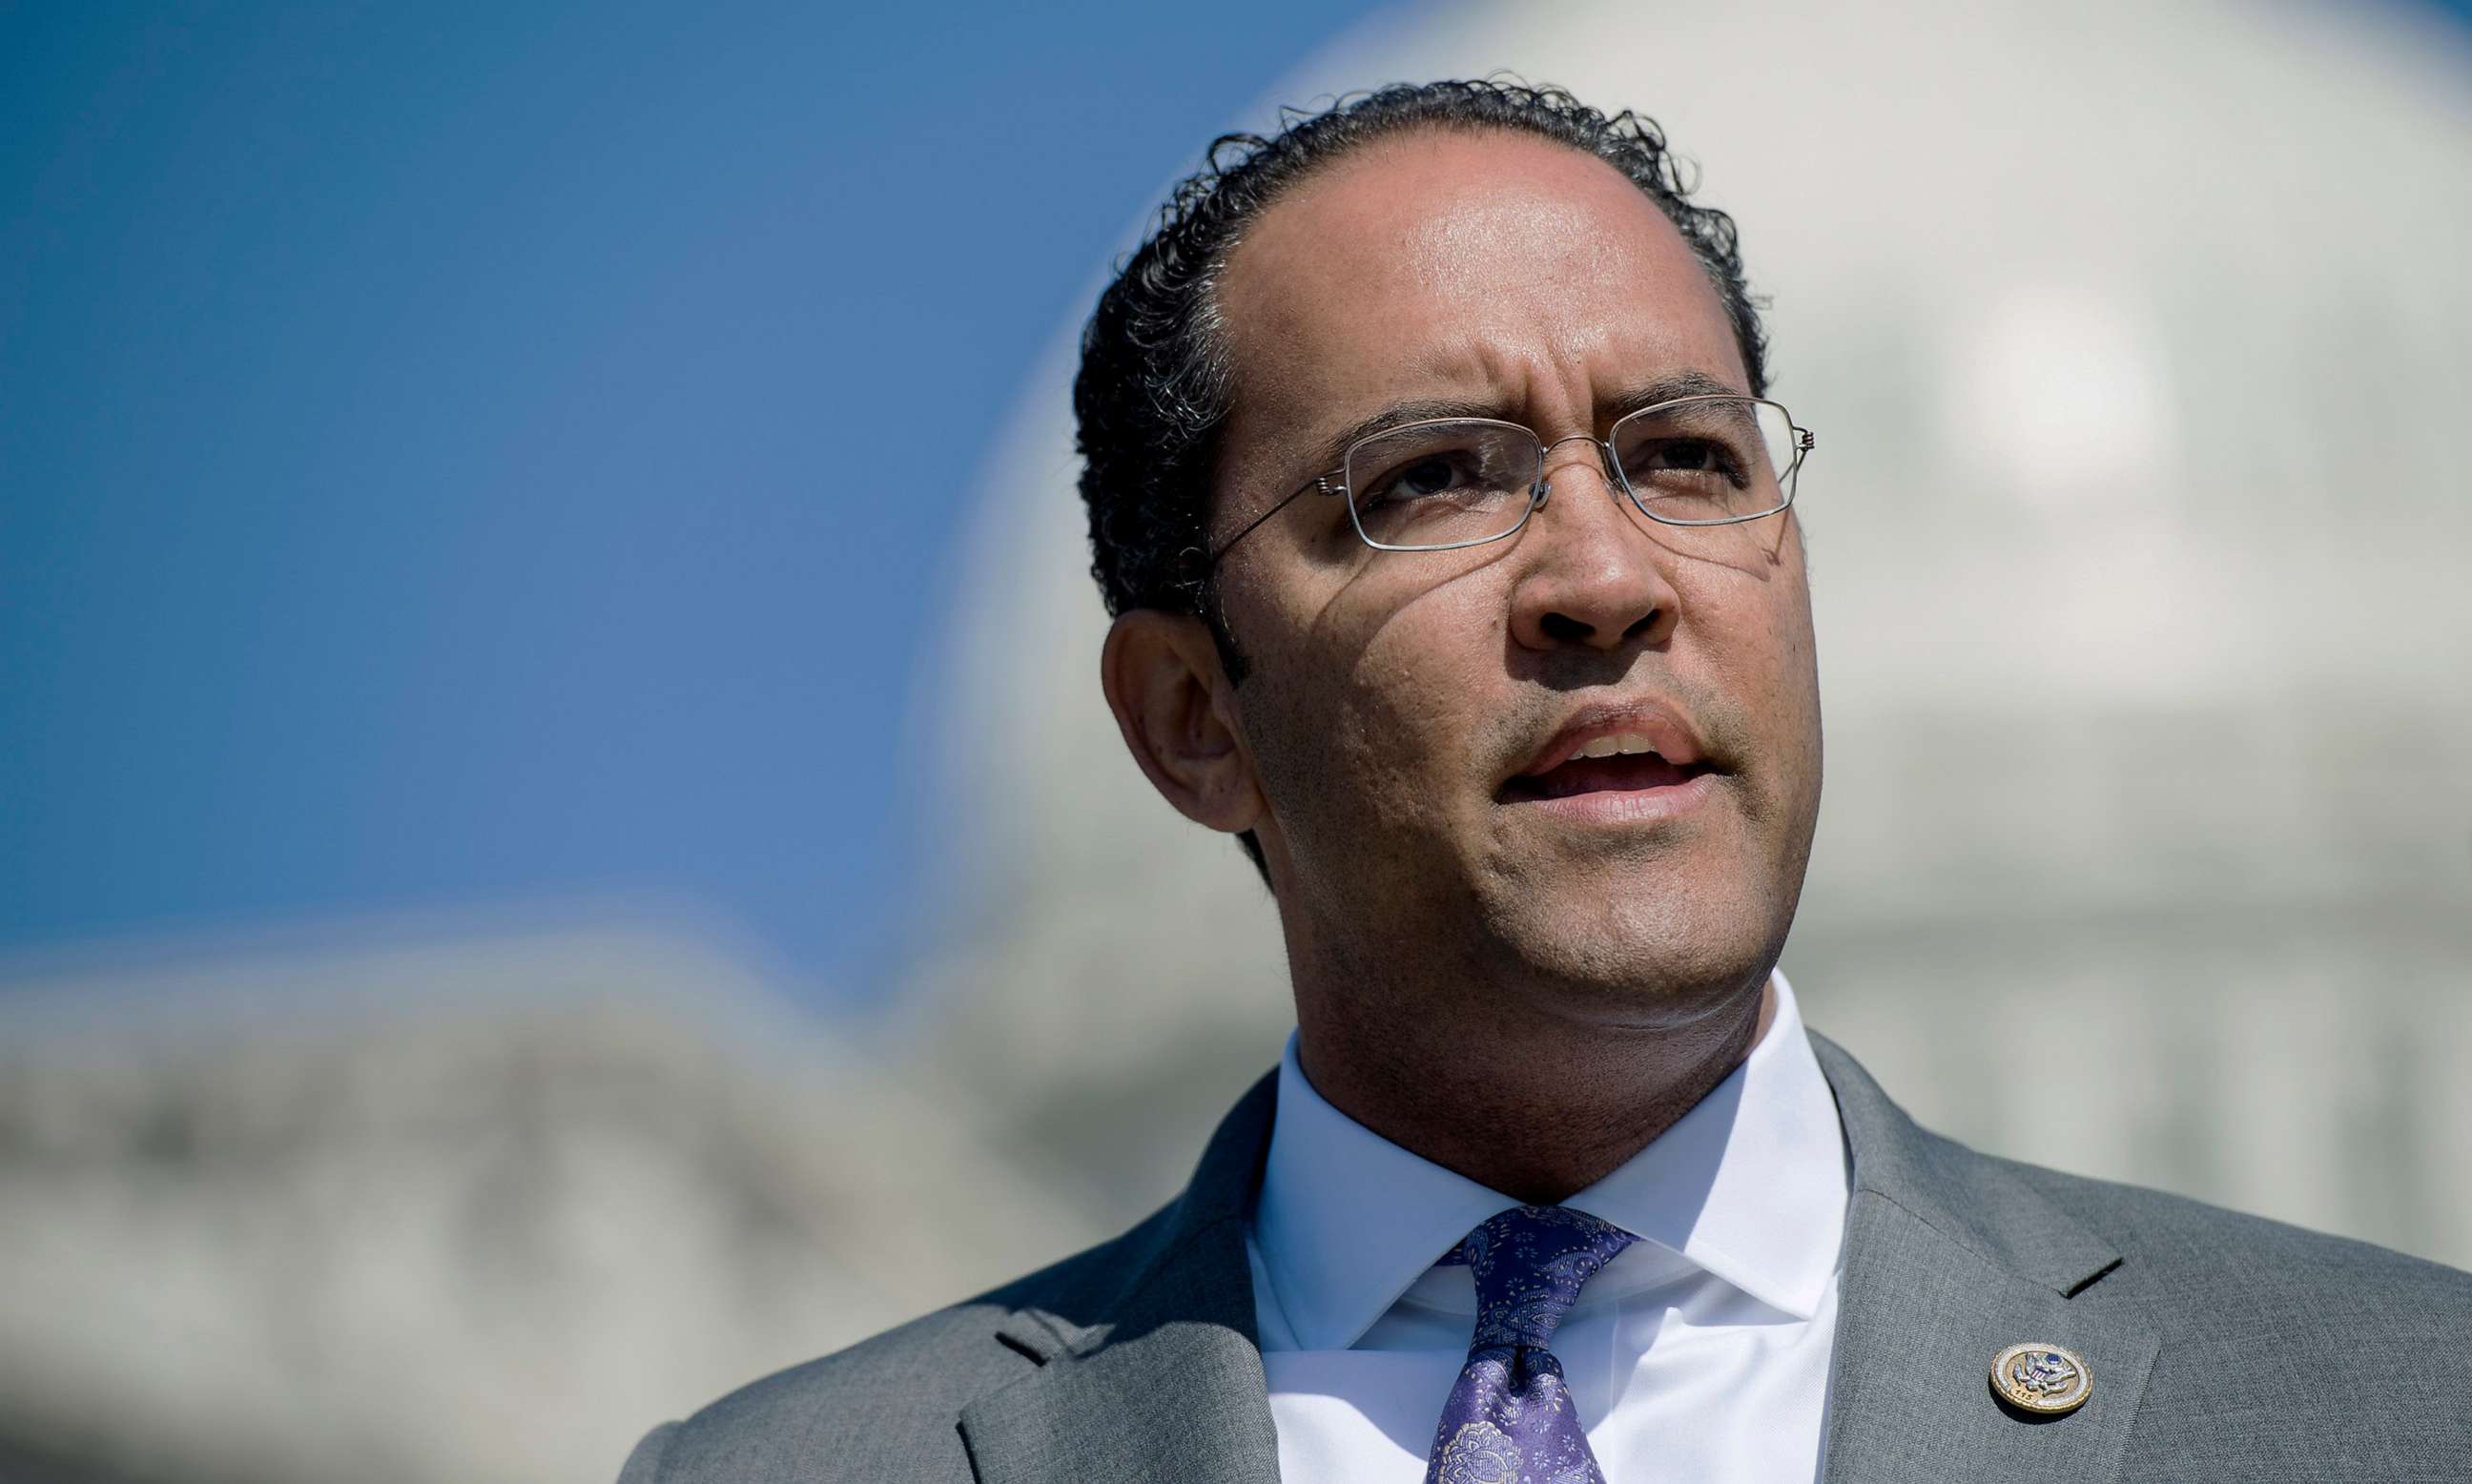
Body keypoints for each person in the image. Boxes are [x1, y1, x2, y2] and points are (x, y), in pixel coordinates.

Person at [617, 79, 2471, 1483]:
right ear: (1192, 716)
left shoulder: (2395, 1410)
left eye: (1684, 455)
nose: (1607, 579)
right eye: (1430, 480)